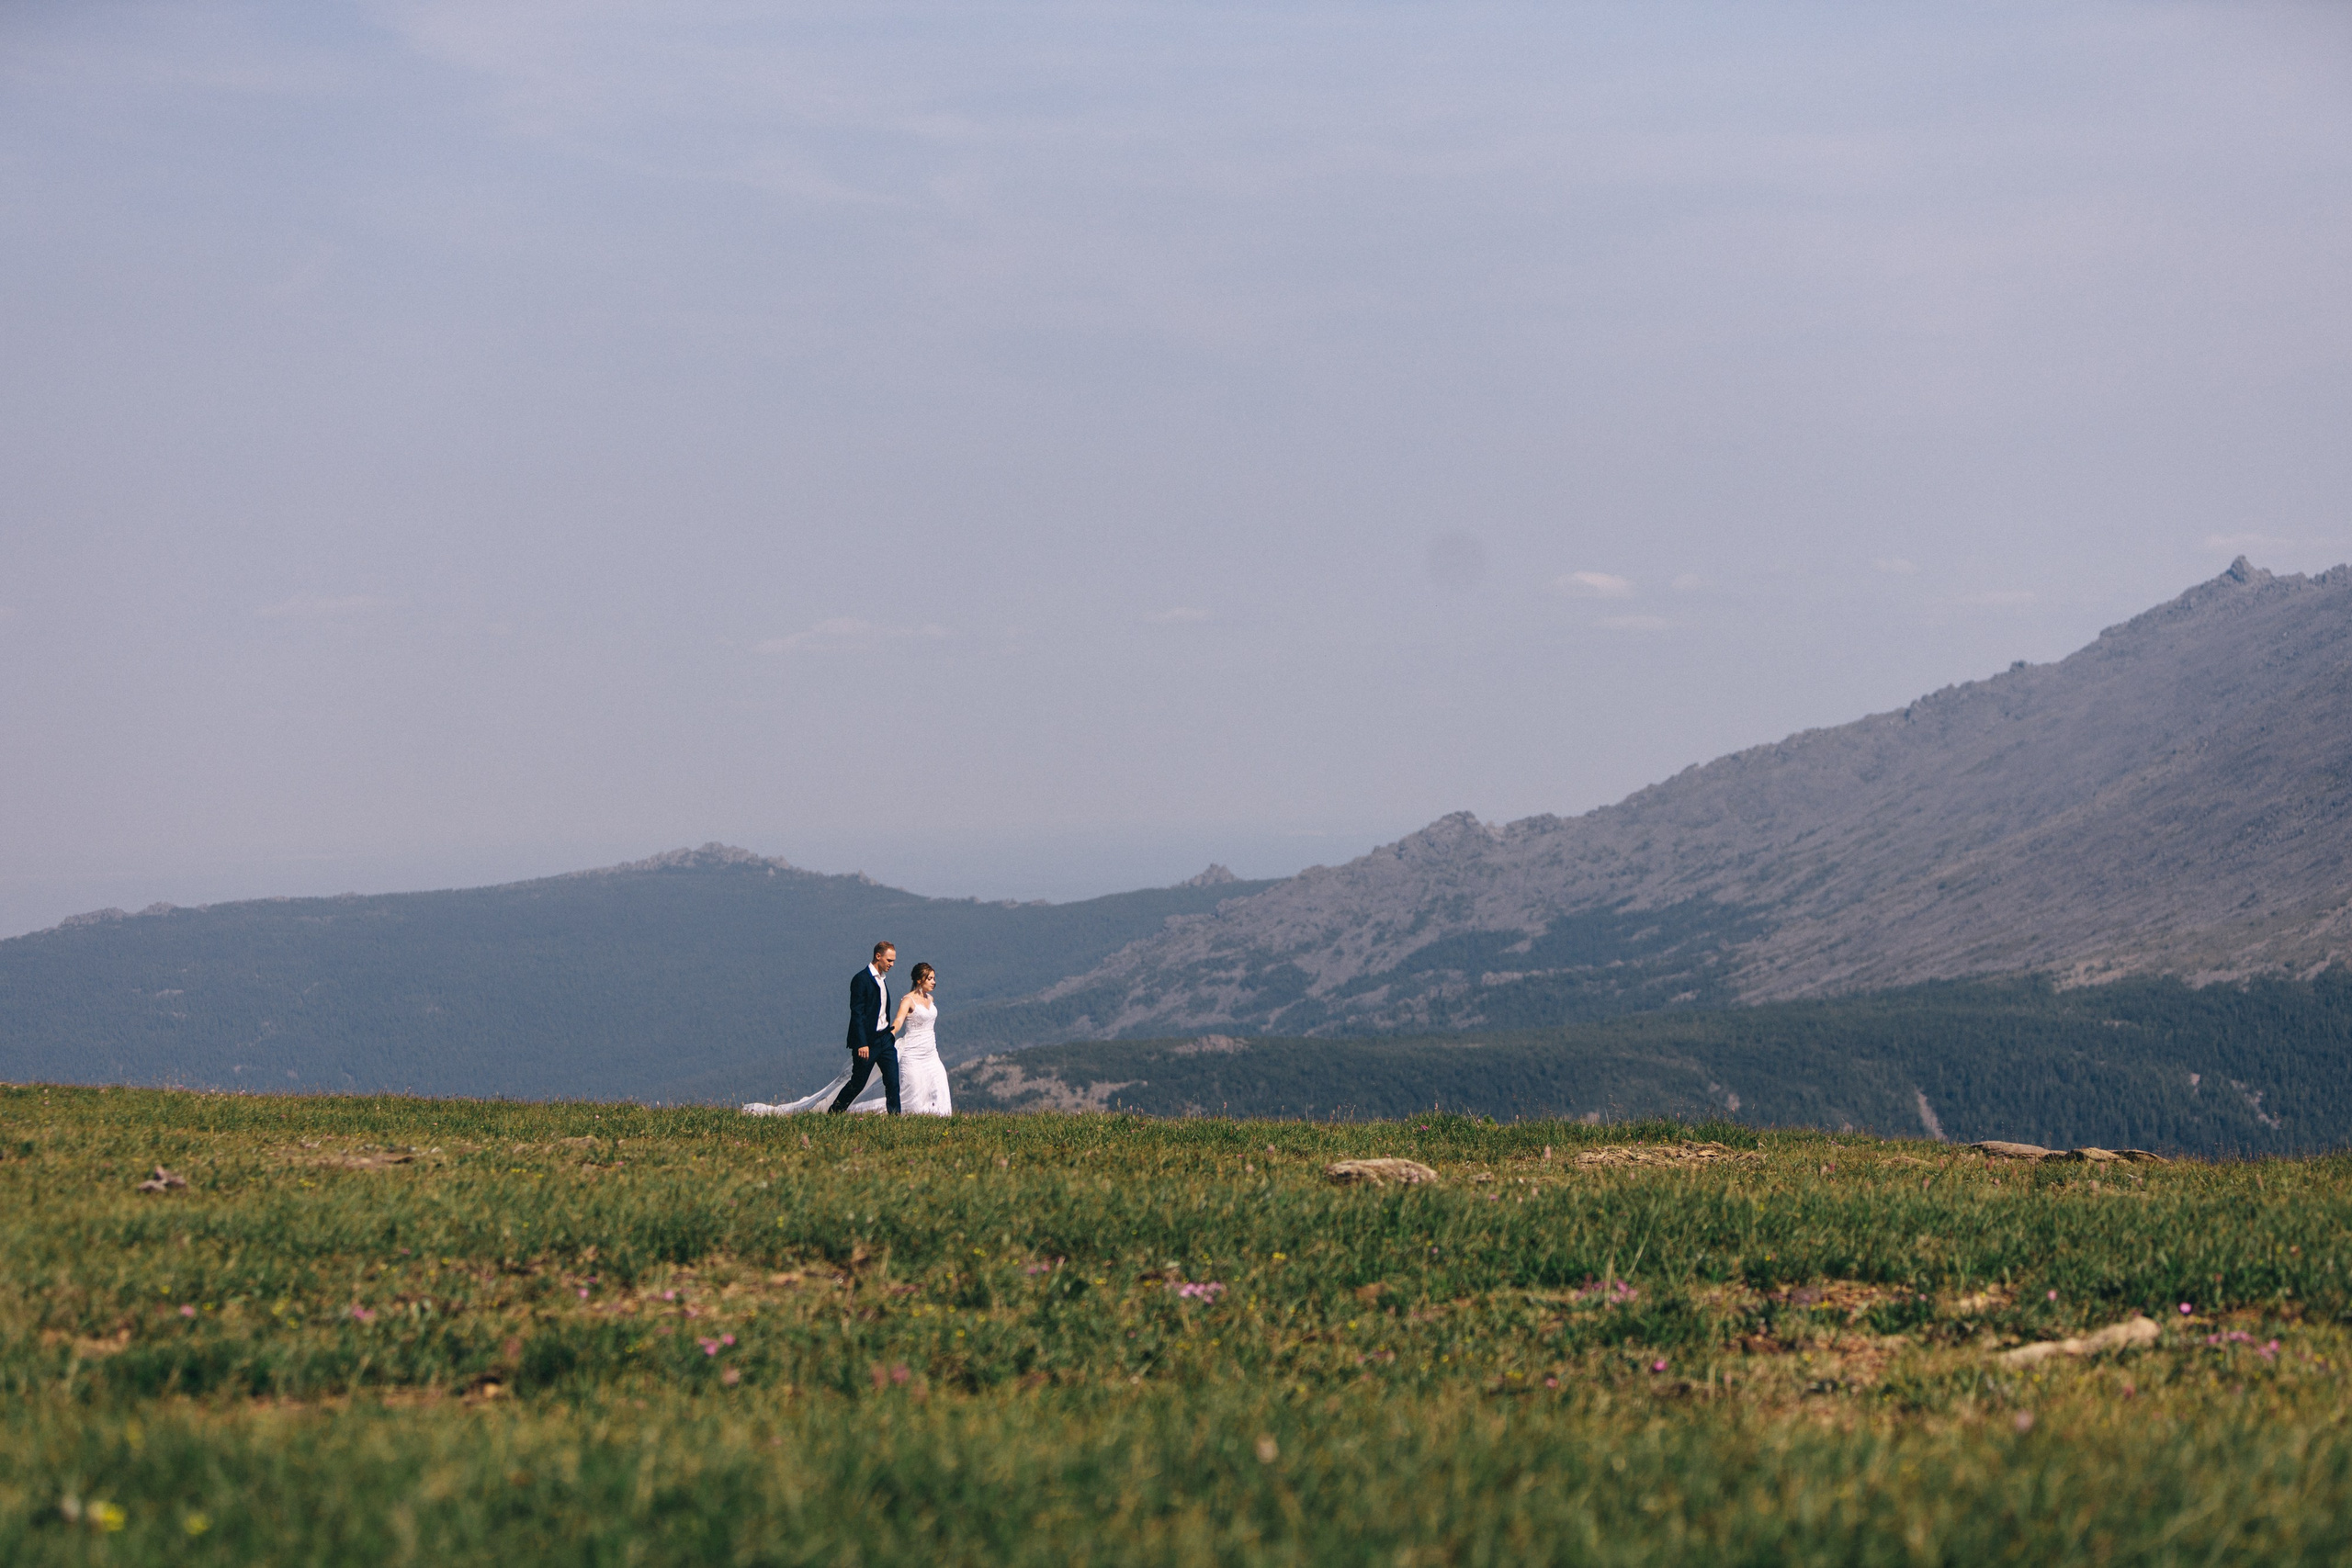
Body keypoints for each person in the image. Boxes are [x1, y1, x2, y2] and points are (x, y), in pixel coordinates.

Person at [741, 941, 907, 1117]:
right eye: (889, 960)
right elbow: (857, 1014)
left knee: (892, 1081)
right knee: (858, 1082)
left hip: (885, 1040)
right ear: (878, 956)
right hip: (867, 1042)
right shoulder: (861, 979)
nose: (892, 964)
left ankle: (895, 1118)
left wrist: (889, 1034)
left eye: (893, 961)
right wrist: (862, 1043)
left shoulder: (882, 980)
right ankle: (834, 1113)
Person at [884, 963, 953, 1116]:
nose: (934, 982)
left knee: (939, 1083)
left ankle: (940, 1117)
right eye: (930, 978)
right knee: (913, 1090)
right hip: (912, 1053)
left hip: (931, 1053)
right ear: (919, 980)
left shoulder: (931, 998)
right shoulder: (908, 1000)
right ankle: (907, 1118)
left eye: (934, 978)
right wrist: (890, 1034)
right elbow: (899, 1021)